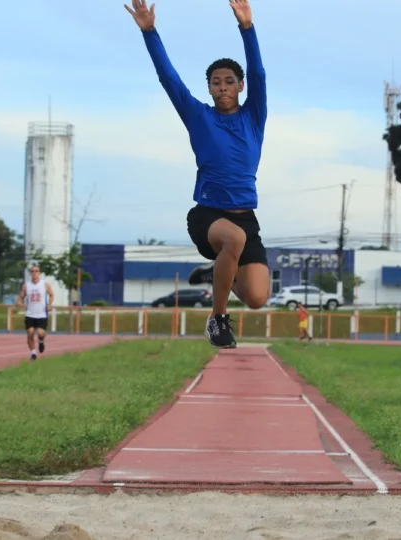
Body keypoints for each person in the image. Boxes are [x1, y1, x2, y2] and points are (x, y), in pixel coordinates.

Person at [125, 0, 269, 349]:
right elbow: (168, 78)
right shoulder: (197, 116)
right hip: (207, 216)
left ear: (241, 86)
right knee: (231, 239)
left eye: (229, 82)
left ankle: (218, 270)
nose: (222, 87)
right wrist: (149, 33)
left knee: (257, 298)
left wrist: (247, 28)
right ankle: (217, 321)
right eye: (216, 82)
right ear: (208, 88)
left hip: (245, 218)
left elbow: (260, 73)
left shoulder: (254, 117)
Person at [18, 265, 55, 360]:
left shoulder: (45, 284)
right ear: (30, 273)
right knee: (30, 332)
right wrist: (22, 304)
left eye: (36, 271)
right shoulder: (26, 286)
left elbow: (51, 295)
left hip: (41, 314)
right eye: (32, 271)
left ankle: (41, 342)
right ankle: (33, 353)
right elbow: (20, 299)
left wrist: (50, 305)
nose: (34, 273)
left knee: (40, 333)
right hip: (30, 313)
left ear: (39, 273)